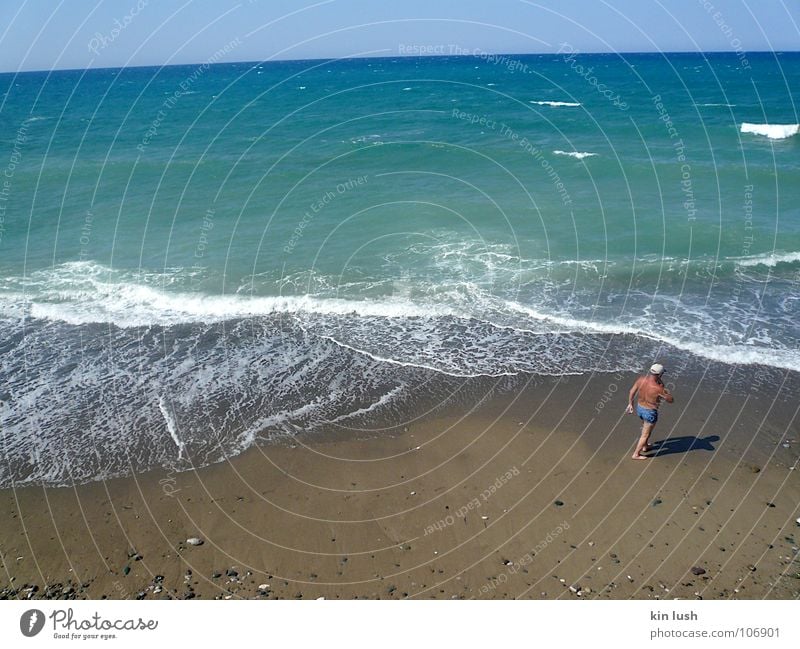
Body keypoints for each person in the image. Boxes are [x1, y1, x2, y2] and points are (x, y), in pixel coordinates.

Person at [625, 363, 674, 460]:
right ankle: (636, 454)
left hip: (640, 408)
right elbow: (671, 400)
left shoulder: (641, 379)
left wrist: (630, 404)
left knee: (646, 429)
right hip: (650, 412)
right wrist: (664, 389)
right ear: (660, 375)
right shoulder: (658, 388)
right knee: (645, 434)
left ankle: (645, 446)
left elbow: (631, 391)